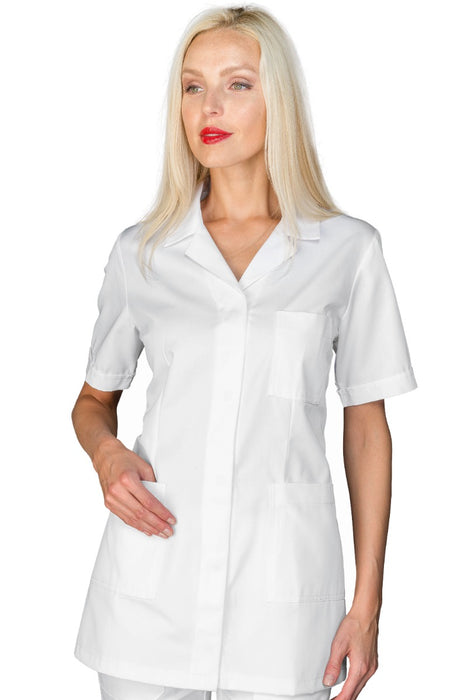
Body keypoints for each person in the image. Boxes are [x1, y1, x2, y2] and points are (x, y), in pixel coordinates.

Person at [72, 5, 418, 700]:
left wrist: (367, 605)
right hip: (150, 598)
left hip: (281, 608)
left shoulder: (347, 250)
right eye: (192, 86)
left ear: (277, 100)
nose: (209, 106)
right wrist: (106, 454)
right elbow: (92, 401)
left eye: (237, 84)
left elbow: (365, 426)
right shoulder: (142, 253)